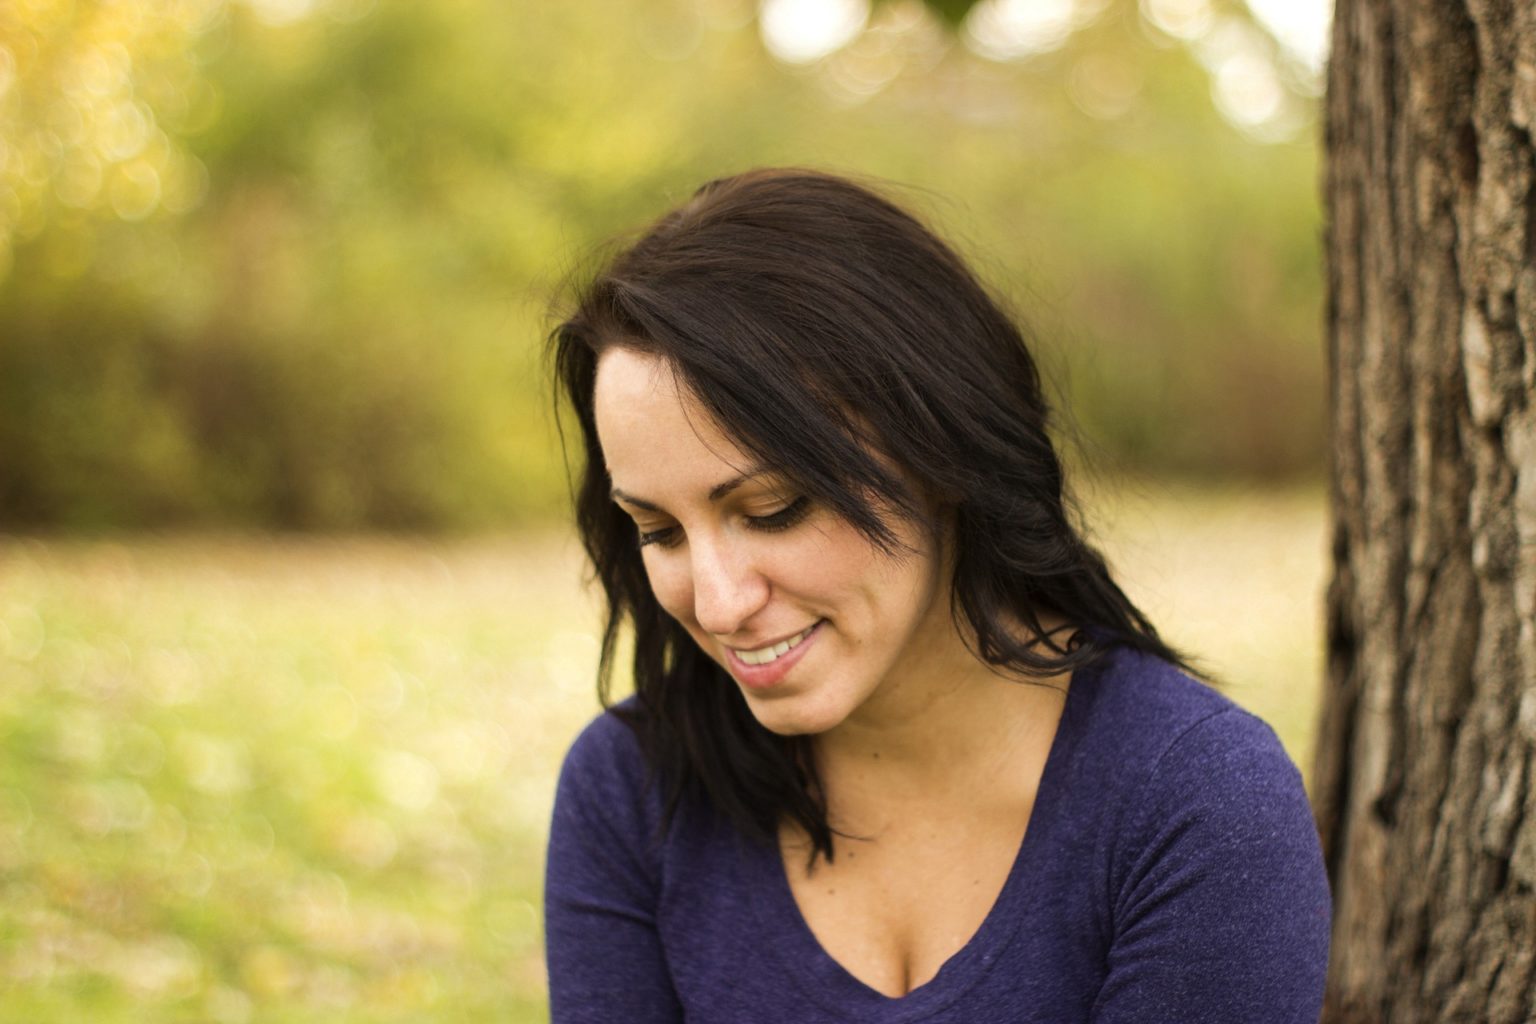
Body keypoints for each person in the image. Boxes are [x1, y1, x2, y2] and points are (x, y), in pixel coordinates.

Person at [544, 168, 1330, 1023]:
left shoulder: (1196, 804)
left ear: (938, 454)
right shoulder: (632, 788)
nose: (720, 603)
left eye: (773, 510)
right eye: (659, 531)